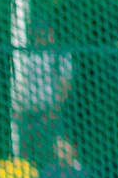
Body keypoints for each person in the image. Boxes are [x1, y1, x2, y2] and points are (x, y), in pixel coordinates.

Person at [13, 18, 73, 165]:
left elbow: (65, 84)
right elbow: (22, 83)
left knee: (53, 152)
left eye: (44, 33)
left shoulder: (60, 55)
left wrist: (56, 109)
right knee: (29, 154)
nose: (41, 38)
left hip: (49, 113)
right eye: (38, 34)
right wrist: (19, 107)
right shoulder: (28, 55)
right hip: (29, 115)